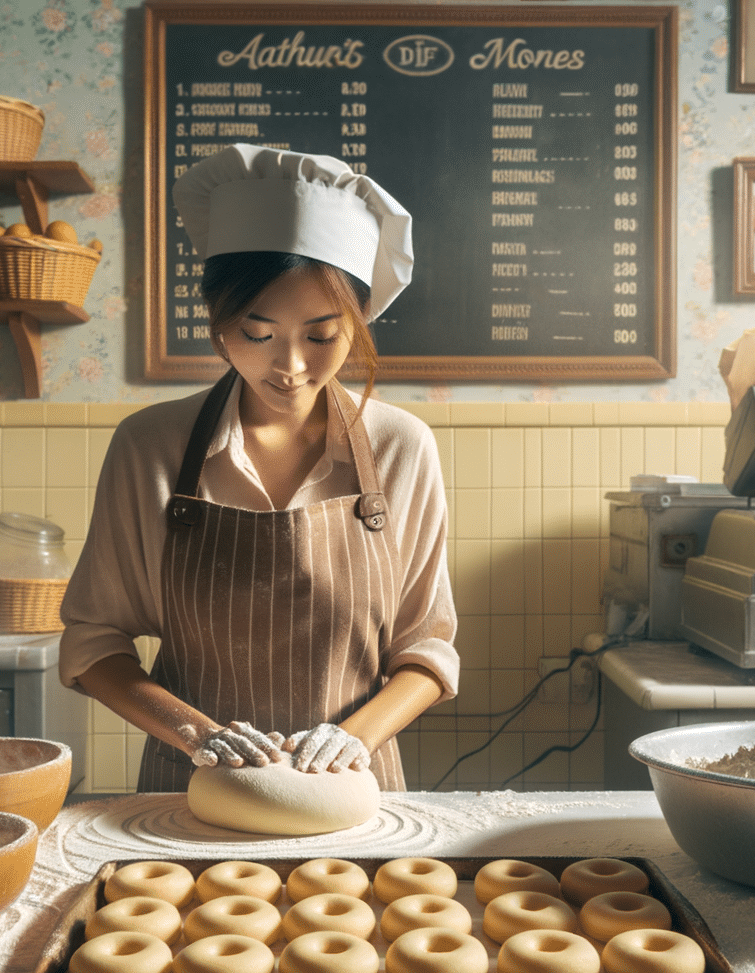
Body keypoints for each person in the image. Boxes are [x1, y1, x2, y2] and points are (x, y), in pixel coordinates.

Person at [58, 144, 457, 792]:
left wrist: (350, 738)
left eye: (321, 336)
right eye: (258, 332)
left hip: (352, 792)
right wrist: (197, 732)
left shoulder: (400, 449)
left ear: (357, 325)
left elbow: (428, 652)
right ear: (217, 323)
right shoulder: (149, 446)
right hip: (191, 793)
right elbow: (94, 646)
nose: (290, 365)